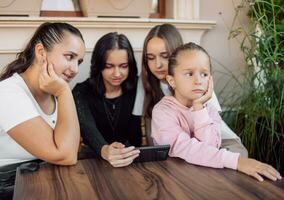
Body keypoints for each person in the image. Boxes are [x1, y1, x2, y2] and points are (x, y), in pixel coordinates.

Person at [152, 42, 282, 182]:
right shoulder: (162, 111)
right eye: (189, 74)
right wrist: (237, 161)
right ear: (172, 81)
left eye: (204, 74)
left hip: (206, 178)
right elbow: (186, 148)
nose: (198, 80)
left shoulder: (208, 108)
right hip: (175, 180)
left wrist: (199, 107)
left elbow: (210, 147)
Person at [0, 22, 85, 199]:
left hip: (40, 182)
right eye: (70, 57)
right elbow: (66, 155)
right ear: (41, 52)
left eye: (79, 61)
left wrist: (61, 93)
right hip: (0, 190)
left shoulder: (54, 93)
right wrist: (64, 92)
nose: (75, 69)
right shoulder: (8, 94)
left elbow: (71, 148)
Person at [133, 23, 248, 156]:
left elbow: (211, 133)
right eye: (151, 58)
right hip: (181, 144)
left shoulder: (198, 83)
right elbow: (147, 127)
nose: (157, 64)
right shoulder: (146, 81)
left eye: (165, 56)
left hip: (218, 140)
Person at [72, 32, 142, 168]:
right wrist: (104, 149)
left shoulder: (138, 87)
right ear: (98, 66)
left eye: (123, 66)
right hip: (92, 160)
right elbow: (87, 129)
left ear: (130, 65)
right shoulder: (81, 92)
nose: (117, 74)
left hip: (130, 159)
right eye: (109, 66)